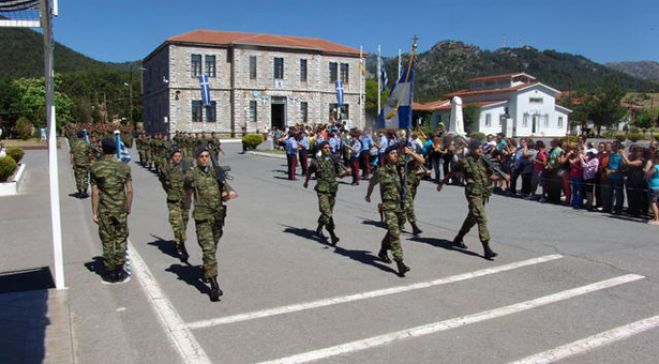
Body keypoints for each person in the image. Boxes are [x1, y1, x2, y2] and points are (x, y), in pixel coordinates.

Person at [438, 139, 510, 259]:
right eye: (477, 148)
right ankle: (487, 248)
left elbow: (489, 176)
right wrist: (442, 183)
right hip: (472, 193)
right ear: (471, 149)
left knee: (473, 218)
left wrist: (501, 177)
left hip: (483, 193)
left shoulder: (484, 160)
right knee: (481, 217)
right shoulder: (465, 161)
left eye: (481, 147)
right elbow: (452, 173)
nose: (480, 150)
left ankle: (458, 238)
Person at [184, 145, 238, 301]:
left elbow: (229, 191)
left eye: (207, 156)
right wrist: (185, 210)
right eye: (201, 156)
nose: (204, 159)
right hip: (202, 217)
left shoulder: (216, 172)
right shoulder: (192, 175)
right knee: (208, 249)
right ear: (196, 158)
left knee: (212, 247)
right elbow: (187, 192)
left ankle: (207, 269)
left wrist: (228, 193)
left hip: (218, 216)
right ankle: (214, 286)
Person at [365, 144, 412, 277]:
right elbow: (372, 183)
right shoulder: (381, 171)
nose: (395, 155)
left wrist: (408, 151)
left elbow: (420, 161)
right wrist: (368, 195)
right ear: (386, 156)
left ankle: (383, 249)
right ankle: (400, 263)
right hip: (389, 207)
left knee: (394, 231)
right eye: (392, 153)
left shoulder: (401, 167)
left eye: (396, 153)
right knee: (395, 234)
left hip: (401, 206)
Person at [90, 138, 133, 283]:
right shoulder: (124, 167)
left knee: (107, 240)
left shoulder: (96, 167)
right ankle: (120, 270)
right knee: (121, 239)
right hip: (120, 208)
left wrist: (94, 212)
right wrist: (128, 207)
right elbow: (130, 190)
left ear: (102, 149)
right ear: (115, 150)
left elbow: (95, 192)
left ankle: (109, 272)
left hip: (105, 209)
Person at [303, 141, 350, 245]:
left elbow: (340, 175)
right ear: (321, 149)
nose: (328, 149)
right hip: (322, 190)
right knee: (327, 213)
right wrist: (306, 182)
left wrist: (346, 173)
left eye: (329, 148)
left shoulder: (334, 159)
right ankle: (333, 235)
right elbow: (309, 172)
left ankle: (319, 227)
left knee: (328, 213)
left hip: (332, 190)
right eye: (325, 148)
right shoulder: (316, 161)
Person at [159, 147, 191, 263]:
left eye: (179, 156)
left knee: (184, 222)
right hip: (173, 200)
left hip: (185, 200)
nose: (178, 158)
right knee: (177, 223)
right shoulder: (166, 169)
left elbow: (192, 183)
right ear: (171, 158)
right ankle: (181, 246)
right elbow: (163, 181)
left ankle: (180, 240)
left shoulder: (186, 168)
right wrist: (168, 192)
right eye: (175, 156)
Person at [70, 131, 92, 198]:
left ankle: (80, 191)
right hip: (85, 163)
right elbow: (90, 154)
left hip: (77, 163)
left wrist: (72, 162)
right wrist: (90, 161)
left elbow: (71, 154)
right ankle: (85, 191)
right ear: (83, 136)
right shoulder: (86, 144)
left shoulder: (74, 144)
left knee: (78, 177)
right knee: (85, 177)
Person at [604, 141, 625, 214]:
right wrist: (607, 170)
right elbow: (608, 165)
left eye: (614, 146)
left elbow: (622, 168)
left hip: (618, 177)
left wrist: (612, 171)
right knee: (609, 193)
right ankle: (608, 208)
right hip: (610, 177)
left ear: (618, 147)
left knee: (618, 194)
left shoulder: (621, 155)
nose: (612, 147)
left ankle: (618, 209)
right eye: (612, 146)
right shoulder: (611, 155)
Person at [645, 151, 659, 225]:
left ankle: (656, 219)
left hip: (654, 186)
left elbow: (648, 174)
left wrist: (647, 168)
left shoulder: (656, 167)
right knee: (657, 203)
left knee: (653, 203)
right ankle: (657, 217)